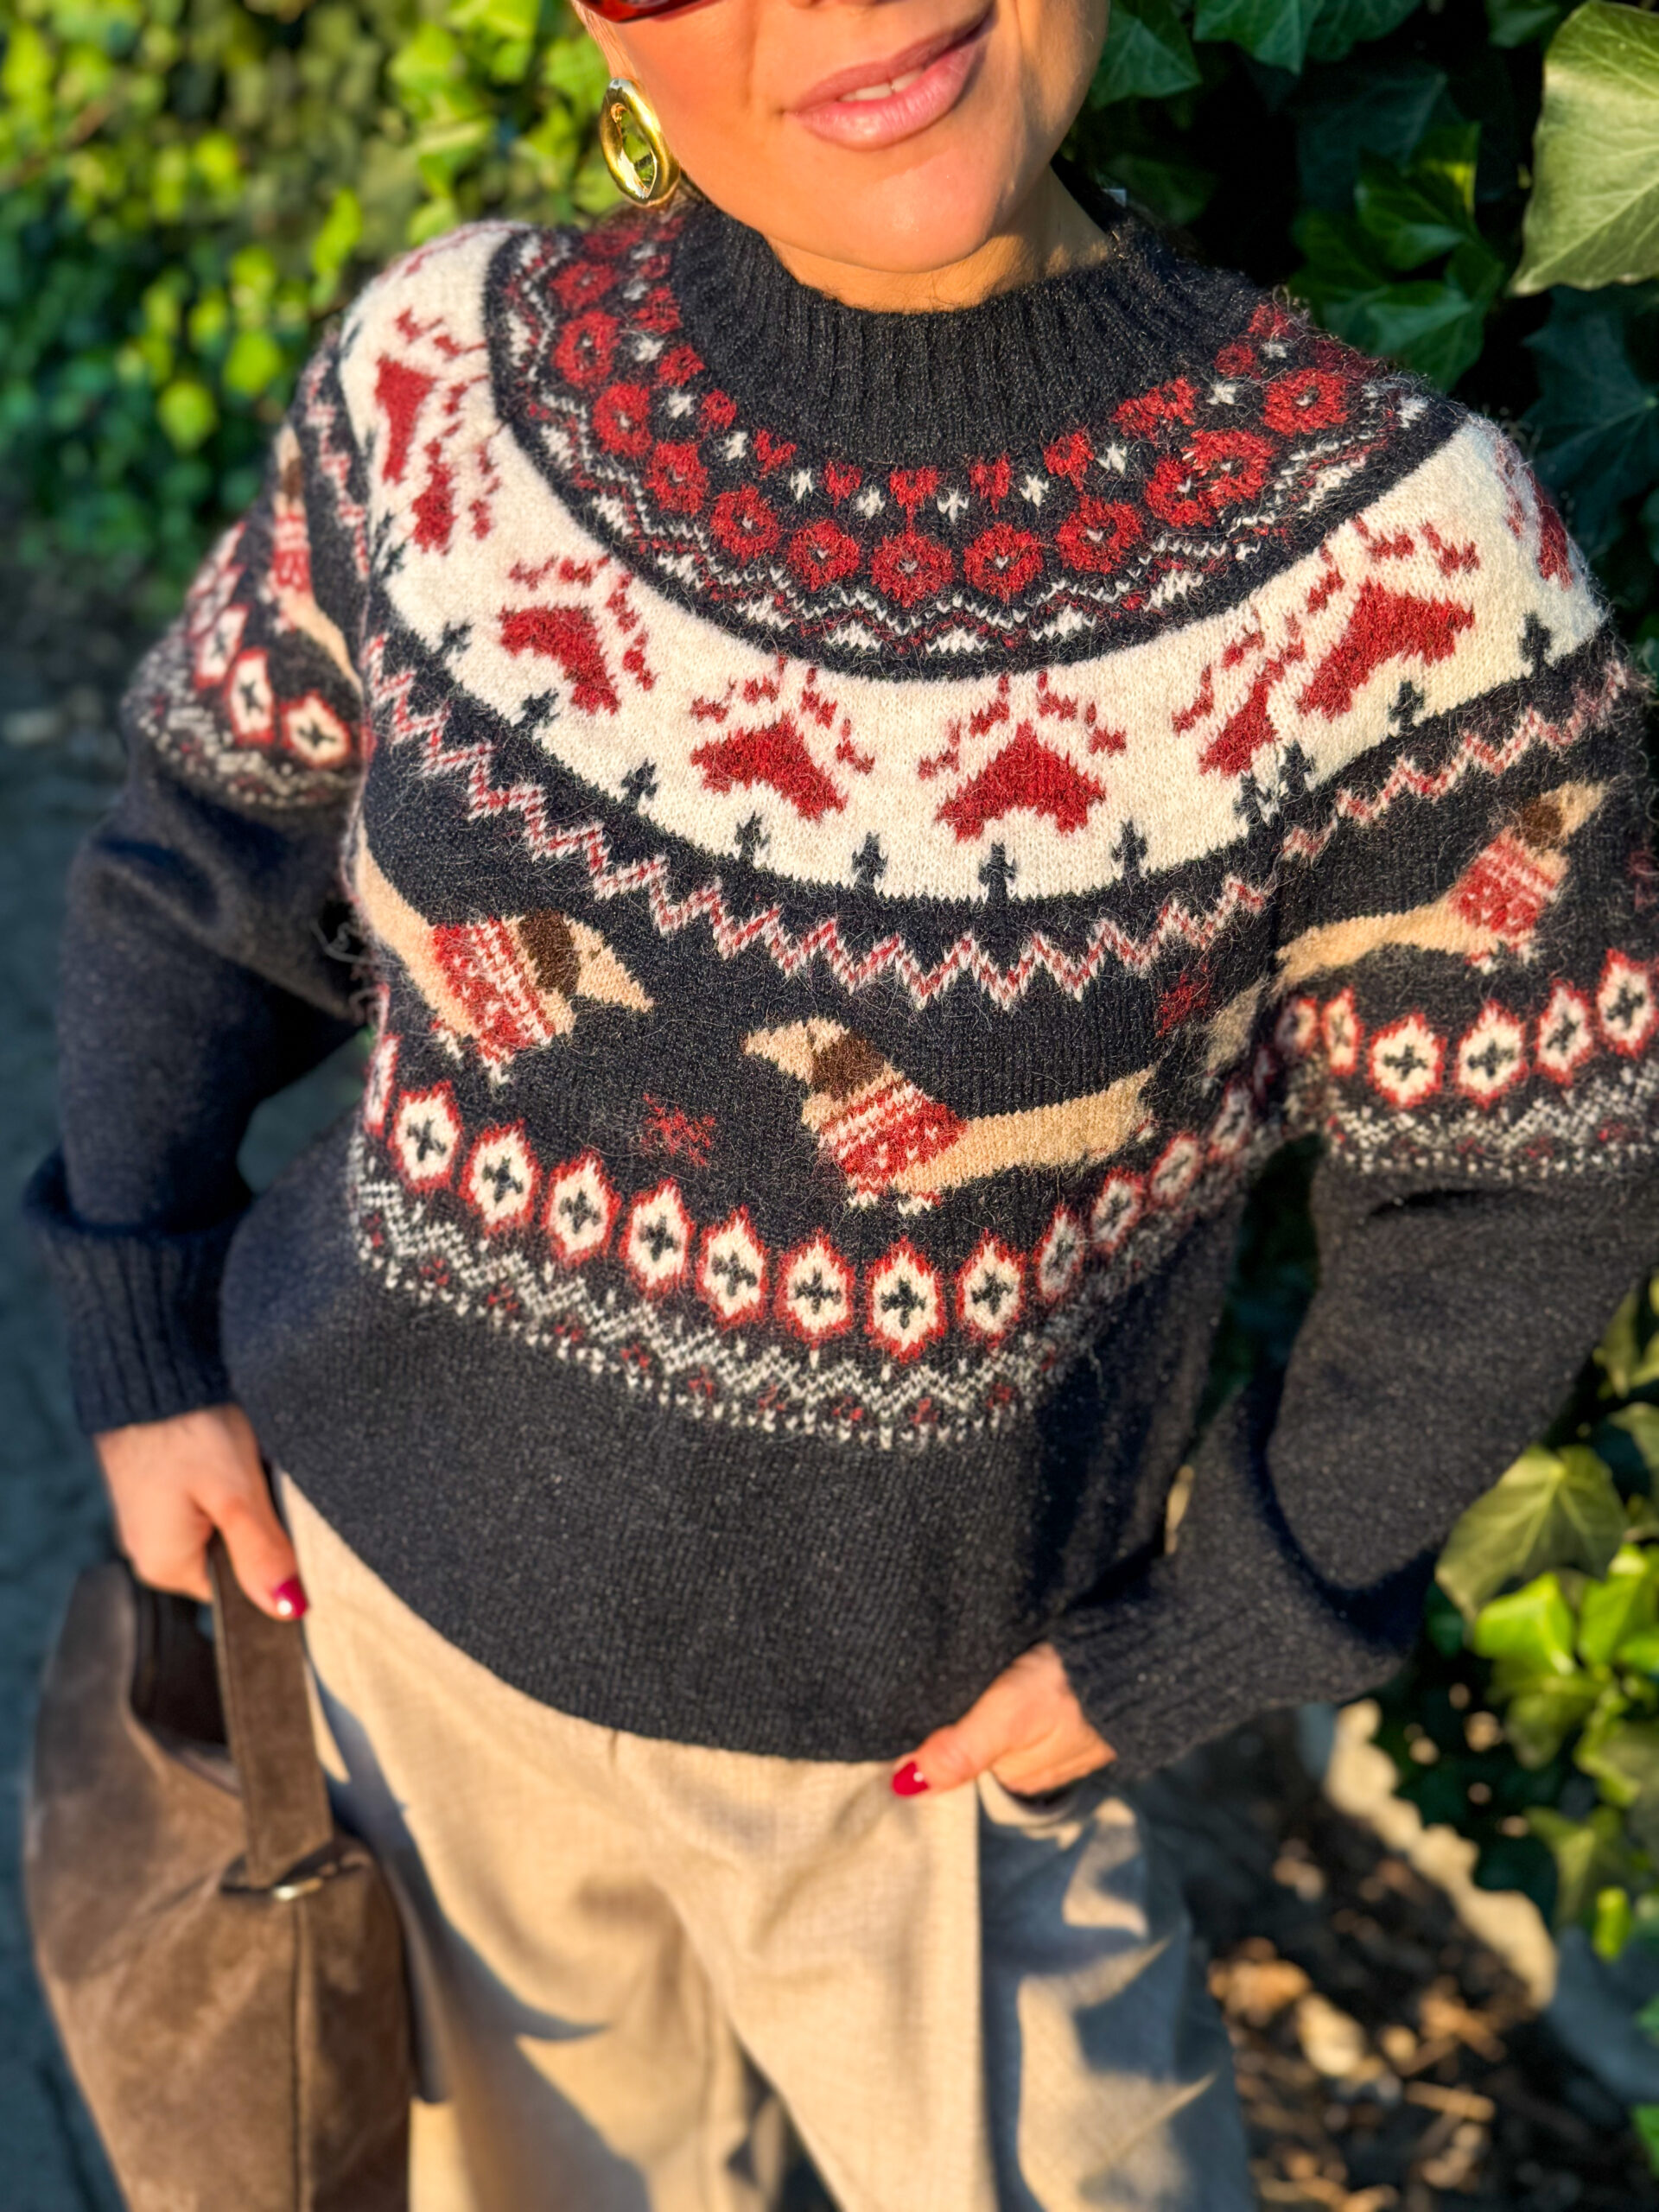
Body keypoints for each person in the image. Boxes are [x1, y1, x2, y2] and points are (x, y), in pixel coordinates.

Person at [28, 0, 1659, 2203]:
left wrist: (1237, 1608)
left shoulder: (1396, 567)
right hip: (403, 1657)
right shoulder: (448, 372)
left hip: (930, 1777)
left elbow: (1524, 1178)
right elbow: (209, 836)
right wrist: (136, 1309)